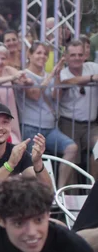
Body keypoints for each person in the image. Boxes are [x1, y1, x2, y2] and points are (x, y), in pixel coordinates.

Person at [20, 42, 78, 188]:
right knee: (33, 163)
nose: (42, 56)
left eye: (45, 54)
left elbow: (56, 97)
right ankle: (37, 196)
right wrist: (52, 73)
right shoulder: (24, 75)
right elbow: (35, 94)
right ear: (30, 55)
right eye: (38, 53)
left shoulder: (48, 75)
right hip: (30, 128)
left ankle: (60, 190)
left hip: (50, 128)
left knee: (72, 148)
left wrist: (57, 77)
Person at [58, 40, 98, 179]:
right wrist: (92, 78)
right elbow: (67, 82)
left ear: (85, 55)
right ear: (66, 57)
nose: (77, 58)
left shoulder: (92, 66)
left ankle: (93, 190)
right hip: (69, 123)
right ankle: (68, 197)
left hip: (91, 125)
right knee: (71, 158)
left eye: (80, 55)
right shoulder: (63, 73)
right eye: (73, 55)